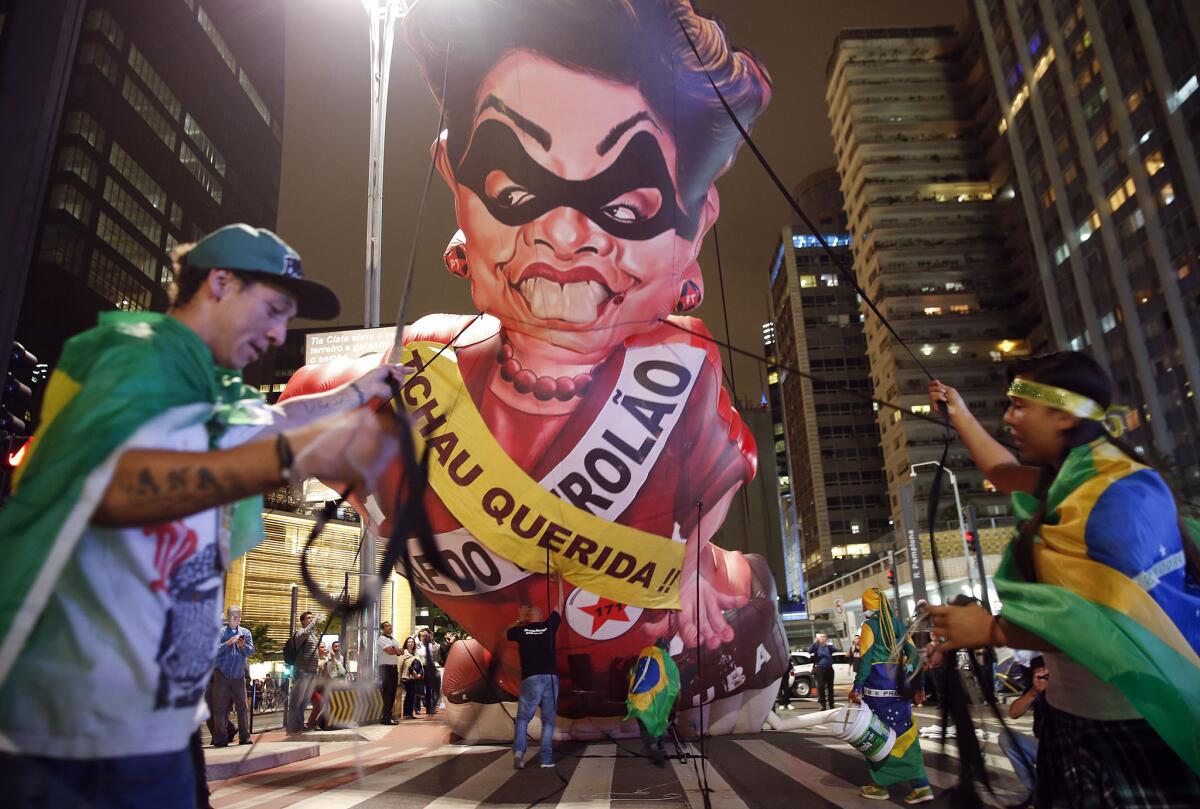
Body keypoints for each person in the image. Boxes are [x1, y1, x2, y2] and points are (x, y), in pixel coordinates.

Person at [281, 0, 788, 741]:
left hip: (687, 659)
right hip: (515, 674)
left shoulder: (686, 375)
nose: (562, 231)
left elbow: (710, 499)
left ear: (695, 225)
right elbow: (250, 437)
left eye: (625, 199)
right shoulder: (411, 378)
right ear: (455, 183)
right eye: (516, 187)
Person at [0, 224, 404, 808]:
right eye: (273, 310)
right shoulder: (135, 358)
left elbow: (277, 416)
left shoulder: (212, 392)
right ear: (219, 282)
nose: (277, 333)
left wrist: (358, 390)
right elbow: (116, 486)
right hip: (70, 728)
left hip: (160, 727)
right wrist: (299, 454)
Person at [926, 353, 1200, 806]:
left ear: (1063, 415)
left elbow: (1108, 619)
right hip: (1074, 716)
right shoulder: (1079, 478)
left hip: (1131, 725)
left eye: (1020, 407)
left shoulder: (1118, 496)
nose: (1009, 417)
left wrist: (990, 630)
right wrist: (959, 414)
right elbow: (1002, 472)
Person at [849, 587, 933, 804]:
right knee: (905, 733)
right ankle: (921, 785)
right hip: (899, 685)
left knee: (877, 735)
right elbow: (914, 657)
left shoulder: (869, 626)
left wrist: (857, 688)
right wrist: (919, 686)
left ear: (867, 606)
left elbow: (866, 660)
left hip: (877, 688)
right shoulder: (898, 625)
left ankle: (879, 785)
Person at [506, 605, 561, 769]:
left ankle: (519, 752)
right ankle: (546, 759)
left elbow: (505, 633)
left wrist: (519, 620)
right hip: (550, 677)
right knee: (548, 720)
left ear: (529, 617)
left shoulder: (521, 630)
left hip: (531, 678)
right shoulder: (548, 626)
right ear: (542, 615)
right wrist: (559, 583)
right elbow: (560, 605)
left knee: (523, 718)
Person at [625, 639, 680, 767]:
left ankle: (652, 746)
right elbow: (677, 692)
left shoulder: (643, 659)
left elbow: (629, 677)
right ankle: (659, 748)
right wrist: (676, 713)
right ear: (666, 649)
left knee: (645, 727)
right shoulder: (669, 664)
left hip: (638, 699)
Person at [999, 657, 1048, 795]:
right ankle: (1036, 789)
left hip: (1071, 750)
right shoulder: (1038, 684)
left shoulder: (1072, 684)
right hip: (1044, 747)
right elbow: (1013, 713)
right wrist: (1034, 691)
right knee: (1006, 738)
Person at [210, 605, 254, 747]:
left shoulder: (245, 632)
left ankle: (244, 737)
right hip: (221, 675)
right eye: (233, 616)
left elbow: (250, 650)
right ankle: (220, 738)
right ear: (228, 617)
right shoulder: (220, 632)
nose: (236, 619)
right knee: (220, 708)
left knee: (242, 707)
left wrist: (243, 646)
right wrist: (227, 643)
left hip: (238, 675)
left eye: (238, 616)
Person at [287, 611, 322, 733]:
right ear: (302, 621)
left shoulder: (313, 634)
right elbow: (304, 633)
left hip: (312, 671)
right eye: (309, 618)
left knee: (304, 701)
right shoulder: (300, 633)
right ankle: (292, 727)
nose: (311, 620)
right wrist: (314, 621)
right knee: (297, 700)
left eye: (312, 618)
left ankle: (300, 725)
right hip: (302, 670)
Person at [377, 622, 402, 725]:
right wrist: (396, 650)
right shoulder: (381, 639)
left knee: (393, 692)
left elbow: (401, 652)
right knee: (388, 691)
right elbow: (389, 651)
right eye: (387, 626)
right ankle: (386, 717)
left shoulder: (393, 640)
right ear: (383, 629)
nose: (389, 627)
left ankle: (389, 716)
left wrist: (395, 650)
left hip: (393, 667)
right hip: (385, 667)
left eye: (390, 625)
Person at [807, 633, 836, 710]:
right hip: (820, 669)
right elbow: (809, 650)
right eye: (821, 637)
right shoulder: (817, 646)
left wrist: (828, 644)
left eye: (824, 637)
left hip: (829, 668)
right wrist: (816, 642)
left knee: (830, 687)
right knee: (821, 687)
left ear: (826, 638)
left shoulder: (829, 646)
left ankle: (831, 704)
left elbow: (834, 649)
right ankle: (823, 705)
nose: (823, 638)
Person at [416, 628, 441, 716]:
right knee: (418, 688)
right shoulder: (417, 645)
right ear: (420, 637)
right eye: (423, 636)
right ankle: (417, 708)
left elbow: (436, 647)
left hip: (429, 668)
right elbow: (411, 638)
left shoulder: (430, 645)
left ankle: (429, 709)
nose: (424, 638)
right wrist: (418, 631)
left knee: (429, 689)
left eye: (426, 636)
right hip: (420, 668)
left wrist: (432, 637)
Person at [399, 637, 422, 719]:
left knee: (413, 695)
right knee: (408, 694)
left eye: (412, 642)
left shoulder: (416, 654)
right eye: (409, 642)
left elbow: (420, 665)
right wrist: (413, 671)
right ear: (406, 644)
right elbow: (401, 666)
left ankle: (410, 713)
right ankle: (406, 713)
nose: (411, 643)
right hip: (406, 677)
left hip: (415, 678)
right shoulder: (404, 654)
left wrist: (419, 673)